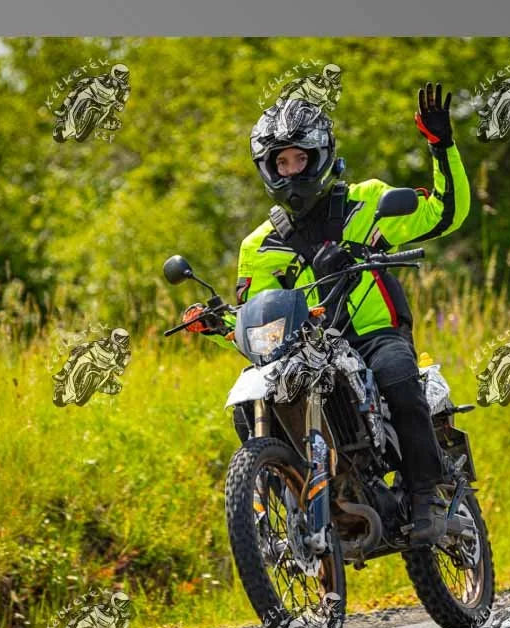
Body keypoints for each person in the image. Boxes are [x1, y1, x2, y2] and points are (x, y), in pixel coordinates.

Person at [183, 83, 470, 546]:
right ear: (267, 169)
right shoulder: (259, 246)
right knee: (250, 408)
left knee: (398, 376)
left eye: (300, 159)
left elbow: (445, 212)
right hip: (306, 350)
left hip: (374, 335)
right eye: (281, 162)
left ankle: (424, 497)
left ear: (321, 156)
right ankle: (295, 504)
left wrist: (441, 145)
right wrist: (218, 323)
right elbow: (256, 318)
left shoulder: (367, 202)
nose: (291, 171)